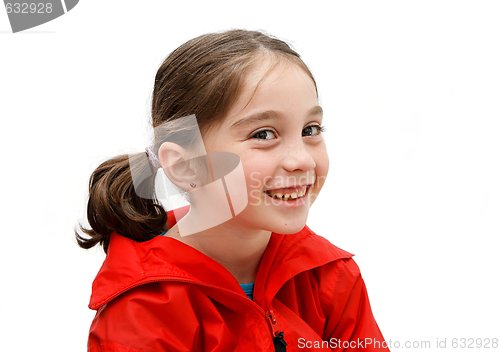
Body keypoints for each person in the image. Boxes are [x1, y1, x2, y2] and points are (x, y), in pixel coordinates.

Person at [77, 29, 390, 352]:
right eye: (264, 134)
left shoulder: (329, 274)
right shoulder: (143, 311)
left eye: (310, 130)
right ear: (186, 166)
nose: (301, 159)